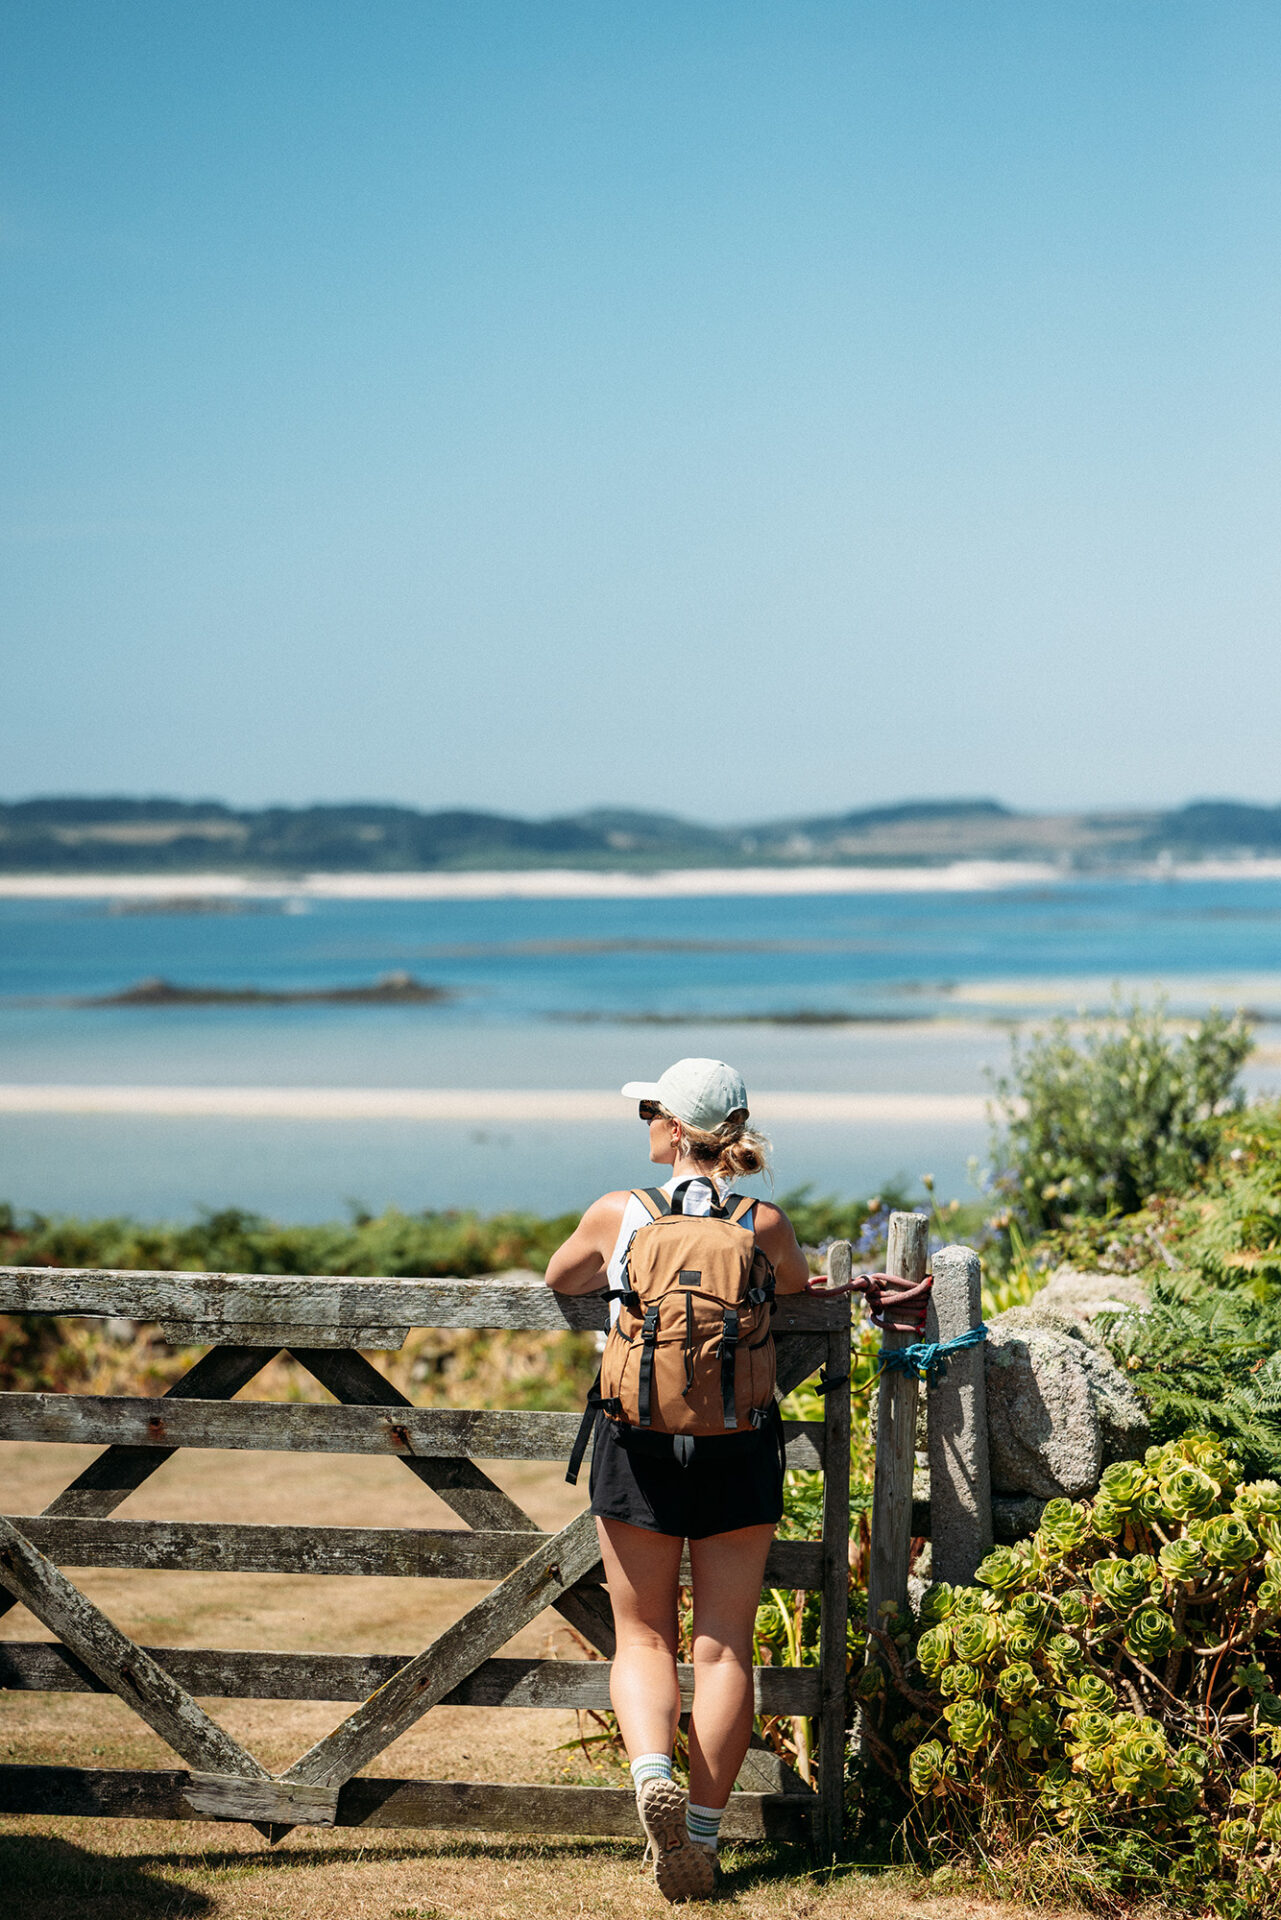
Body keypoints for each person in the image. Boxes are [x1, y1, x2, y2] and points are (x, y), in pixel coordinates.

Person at [545, 1058, 810, 1902]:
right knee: (725, 1640)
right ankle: (698, 1833)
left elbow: (561, 1280)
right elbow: (798, 1290)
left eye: (648, 1113)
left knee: (644, 1636)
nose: (645, 1126)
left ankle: (649, 1772)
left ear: (670, 1129)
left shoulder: (617, 1212)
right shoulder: (762, 1221)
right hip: (738, 1442)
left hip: (638, 1445)